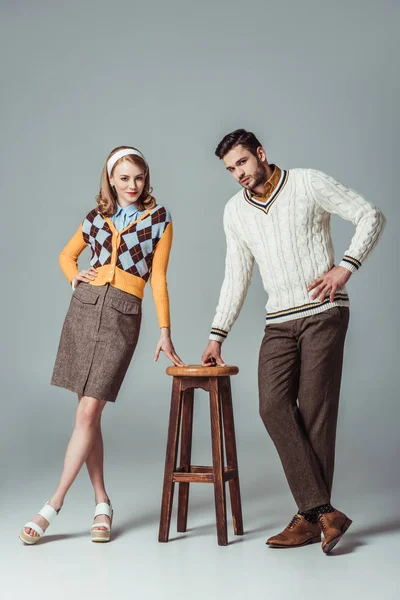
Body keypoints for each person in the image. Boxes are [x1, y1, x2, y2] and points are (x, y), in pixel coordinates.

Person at [201, 129, 385, 553]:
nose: (239, 174)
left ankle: (307, 518)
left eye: (243, 163)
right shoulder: (235, 212)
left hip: (324, 312)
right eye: (231, 169)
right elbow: (236, 276)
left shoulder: (307, 182)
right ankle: (323, 513)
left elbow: (370, 215)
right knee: (272, 406)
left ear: (261, 154)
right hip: (279, 322)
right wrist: (217, 335)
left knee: (316, 409)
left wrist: (345, 268)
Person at [19, 146, 185, 545]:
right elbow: (66, 255)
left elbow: (158, 278)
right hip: (83, 310)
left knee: (88, 411)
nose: (132, 185)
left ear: (146, 179)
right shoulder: (95, 218)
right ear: (111, 179)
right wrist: (75, 276)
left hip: (122, 317)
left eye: (139, 178)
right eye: (124, 178)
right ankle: (101, 503)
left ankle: (53, 504)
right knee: (87, 415)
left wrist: (164, 329)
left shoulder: (159, 219)